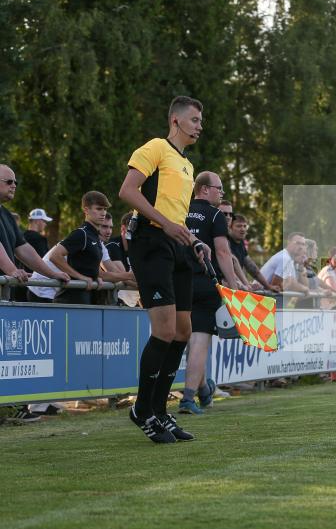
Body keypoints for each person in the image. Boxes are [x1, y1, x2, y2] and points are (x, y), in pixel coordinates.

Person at [118, 95, 211, 444]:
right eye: (195, 120)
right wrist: (166, 225)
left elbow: (177, 216)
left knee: (184, 330)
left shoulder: (187, 166)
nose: (200, 126)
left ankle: (159, 409)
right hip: (152, 243)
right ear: (176, 120)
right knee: (164, 329)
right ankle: (143, 408)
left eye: (201, 121)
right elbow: (127, 191)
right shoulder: (155, 147)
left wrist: (192, 241)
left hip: (177, 246)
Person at [182, 171, 242, 415]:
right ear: (204, 189)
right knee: (199, 341)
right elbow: (223, 252)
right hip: (205, 282)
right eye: (219, 188)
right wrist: (234, 285)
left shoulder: (179, 209)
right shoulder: (215, 215)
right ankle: (187, 398)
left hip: (179, 279)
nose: (222, 193)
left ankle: (204, 389)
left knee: (189, 340)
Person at [0, 164, 70, 291]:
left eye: (15, 182)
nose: (14, 185)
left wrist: (52, 274)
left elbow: (23, 248)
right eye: (9, 181)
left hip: (4, 290)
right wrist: (12, 270)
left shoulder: (6, 215)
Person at [46, 191, 110, 305]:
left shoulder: (94, 235)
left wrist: (95, 277)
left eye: (105, 209)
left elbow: (87, 264)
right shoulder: (81, 234)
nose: (103, 213)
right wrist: (81, 277)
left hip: (86, 296)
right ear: (86, 210)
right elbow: (55, 256)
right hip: (71, 298)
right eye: (99, 209)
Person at [229, 213, 275, 291]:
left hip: (237, 287)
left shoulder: (240, 242)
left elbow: (251, 267)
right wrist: (246, 285)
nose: (243, 229)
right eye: (238, 226)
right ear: (230, 228)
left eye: (244, 226)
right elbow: (229, 269)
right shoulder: (225, 242)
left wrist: (268, 286)